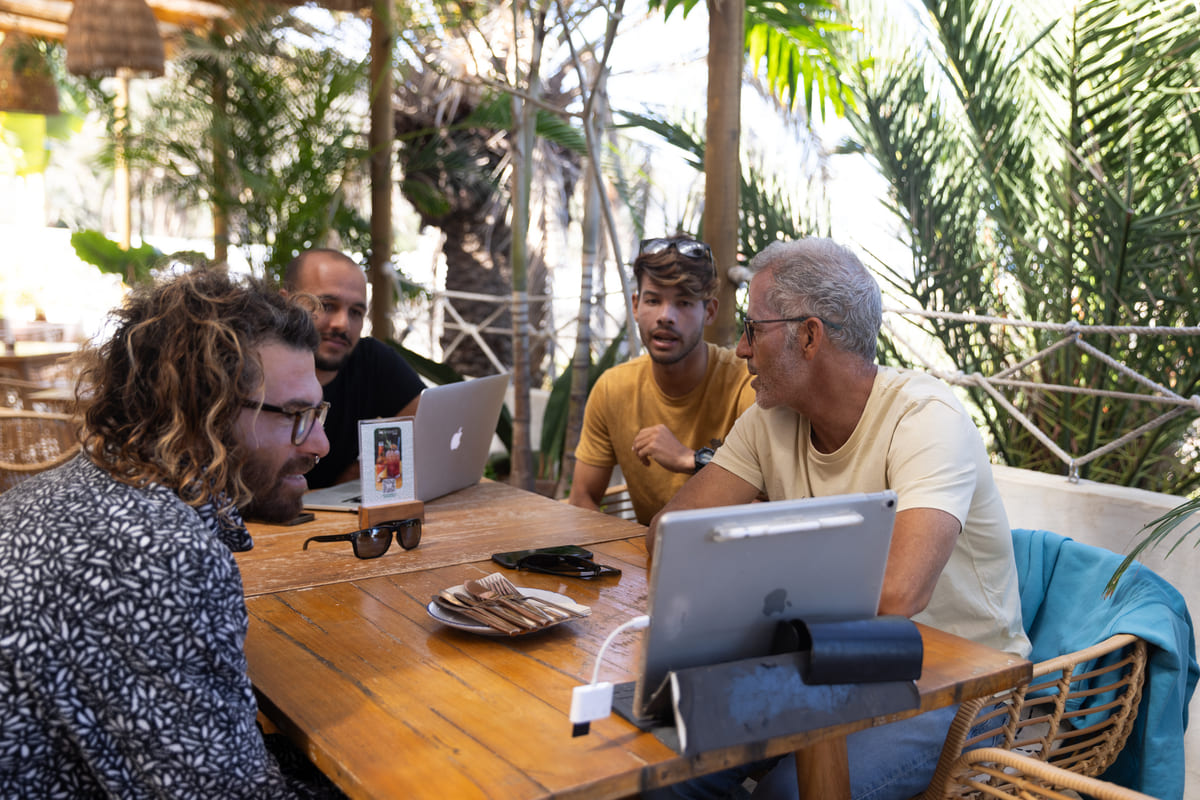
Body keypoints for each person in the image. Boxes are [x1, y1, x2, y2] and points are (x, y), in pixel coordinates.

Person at [647, 238, 1031, 800]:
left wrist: (747, 551)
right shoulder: (769, 419)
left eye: (753, 329)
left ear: (809, 335)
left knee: (788, 793)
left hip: (959, 688)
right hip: (817, 665)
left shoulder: (926, 419)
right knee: (663, 763)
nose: (740, 350)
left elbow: (900, 593)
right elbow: (669, 532)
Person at [0, 269, 339, 797]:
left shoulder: (84, 482)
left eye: (316, 411)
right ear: (203, 411)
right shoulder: (160, 554)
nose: (320, 444)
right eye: (295, 415)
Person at [569, 235, 755, 524]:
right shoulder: (612, 389)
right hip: (646, 557)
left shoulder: (746, 384)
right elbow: (582, 498)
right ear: (635, 305)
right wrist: (632, 556)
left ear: (710, 311)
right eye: (653, 300)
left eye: (683, 302)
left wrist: (691, 460)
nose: (666, 316)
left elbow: (771, 504)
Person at [283, 249, 425, 489]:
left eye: (356, 312)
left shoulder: (371, 360)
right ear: (285, 303)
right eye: (326, 306)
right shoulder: (251, 368)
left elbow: (424, 425)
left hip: (338, 517)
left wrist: (363, 470)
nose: (343, 324)